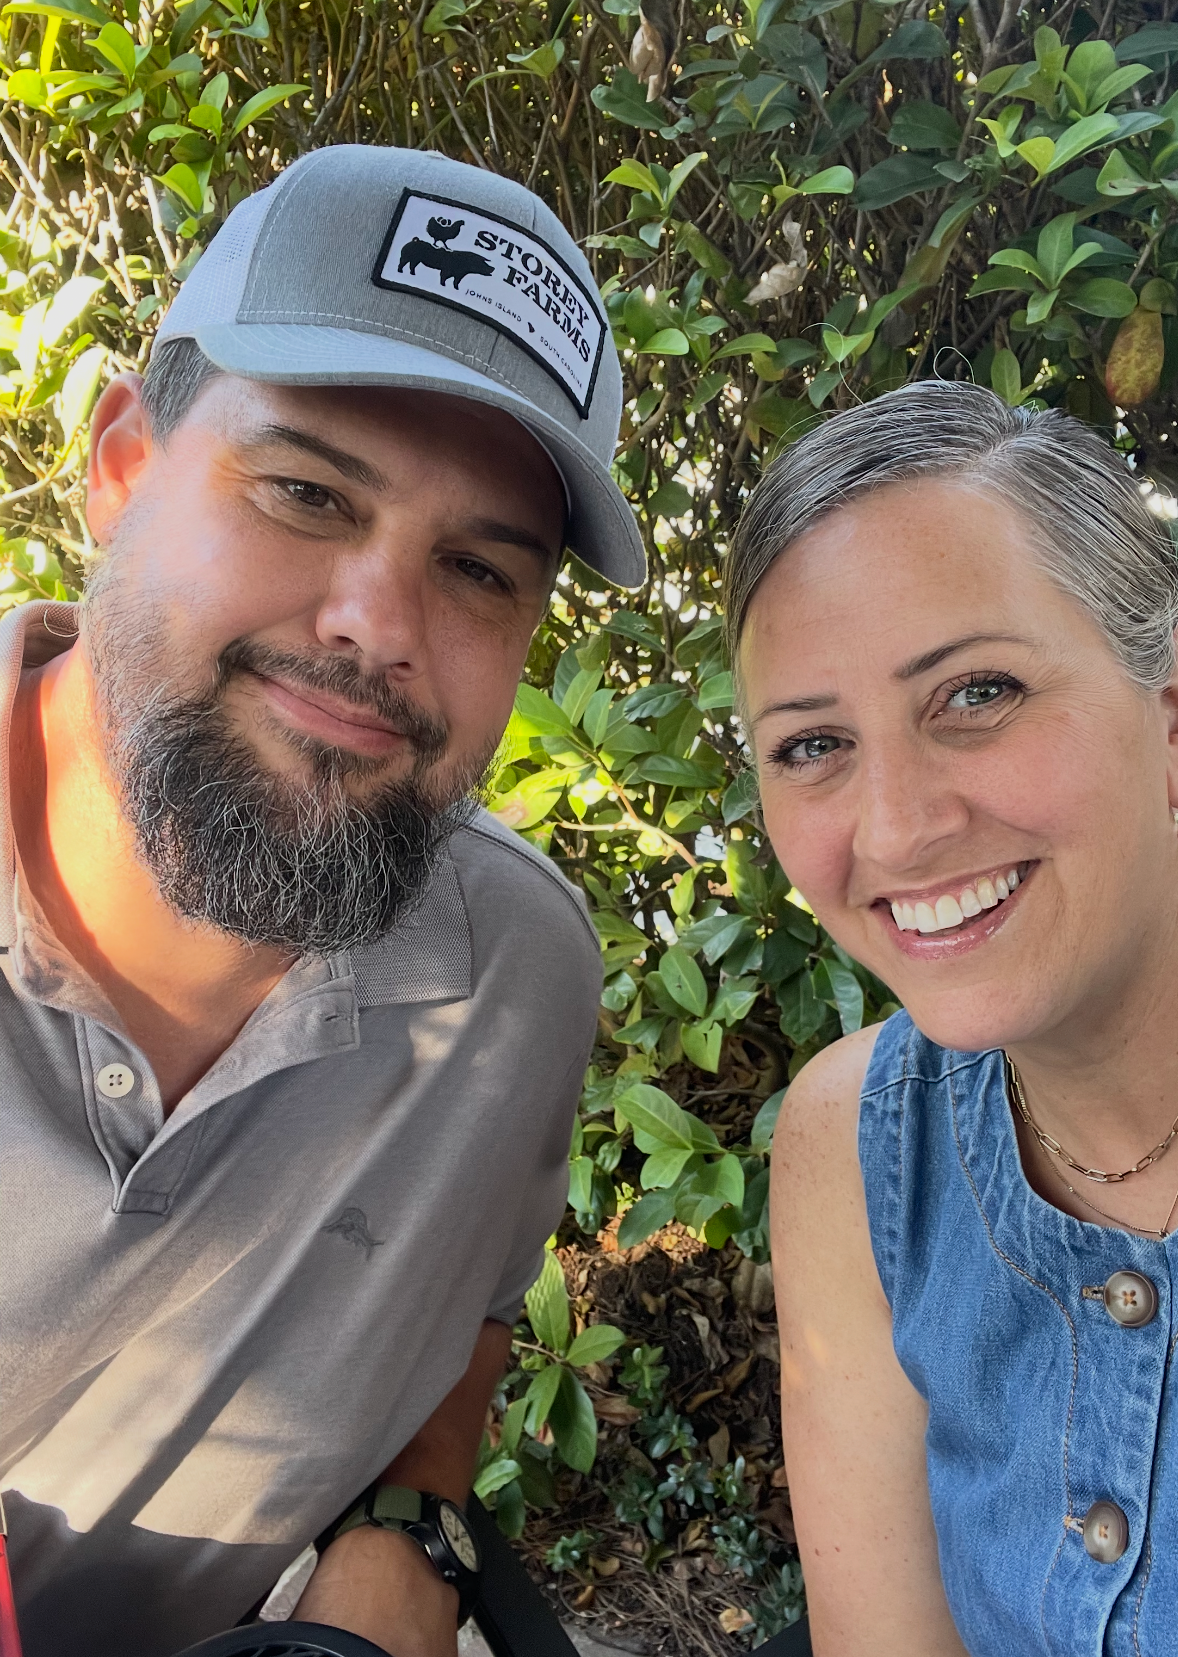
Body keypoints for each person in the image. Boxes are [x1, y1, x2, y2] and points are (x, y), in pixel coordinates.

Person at [0, 144, 644, 1657]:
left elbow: (459, 1304)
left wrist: (408, 1528)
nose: (376, 624)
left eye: (478, 571)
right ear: (120, 466)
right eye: (304, 491)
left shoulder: (512, 976)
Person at [728, 381, 1178, 1654]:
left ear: (1175, 715)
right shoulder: (857, 1147)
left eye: (977, 693)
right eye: (811, 746)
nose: (898, 827)